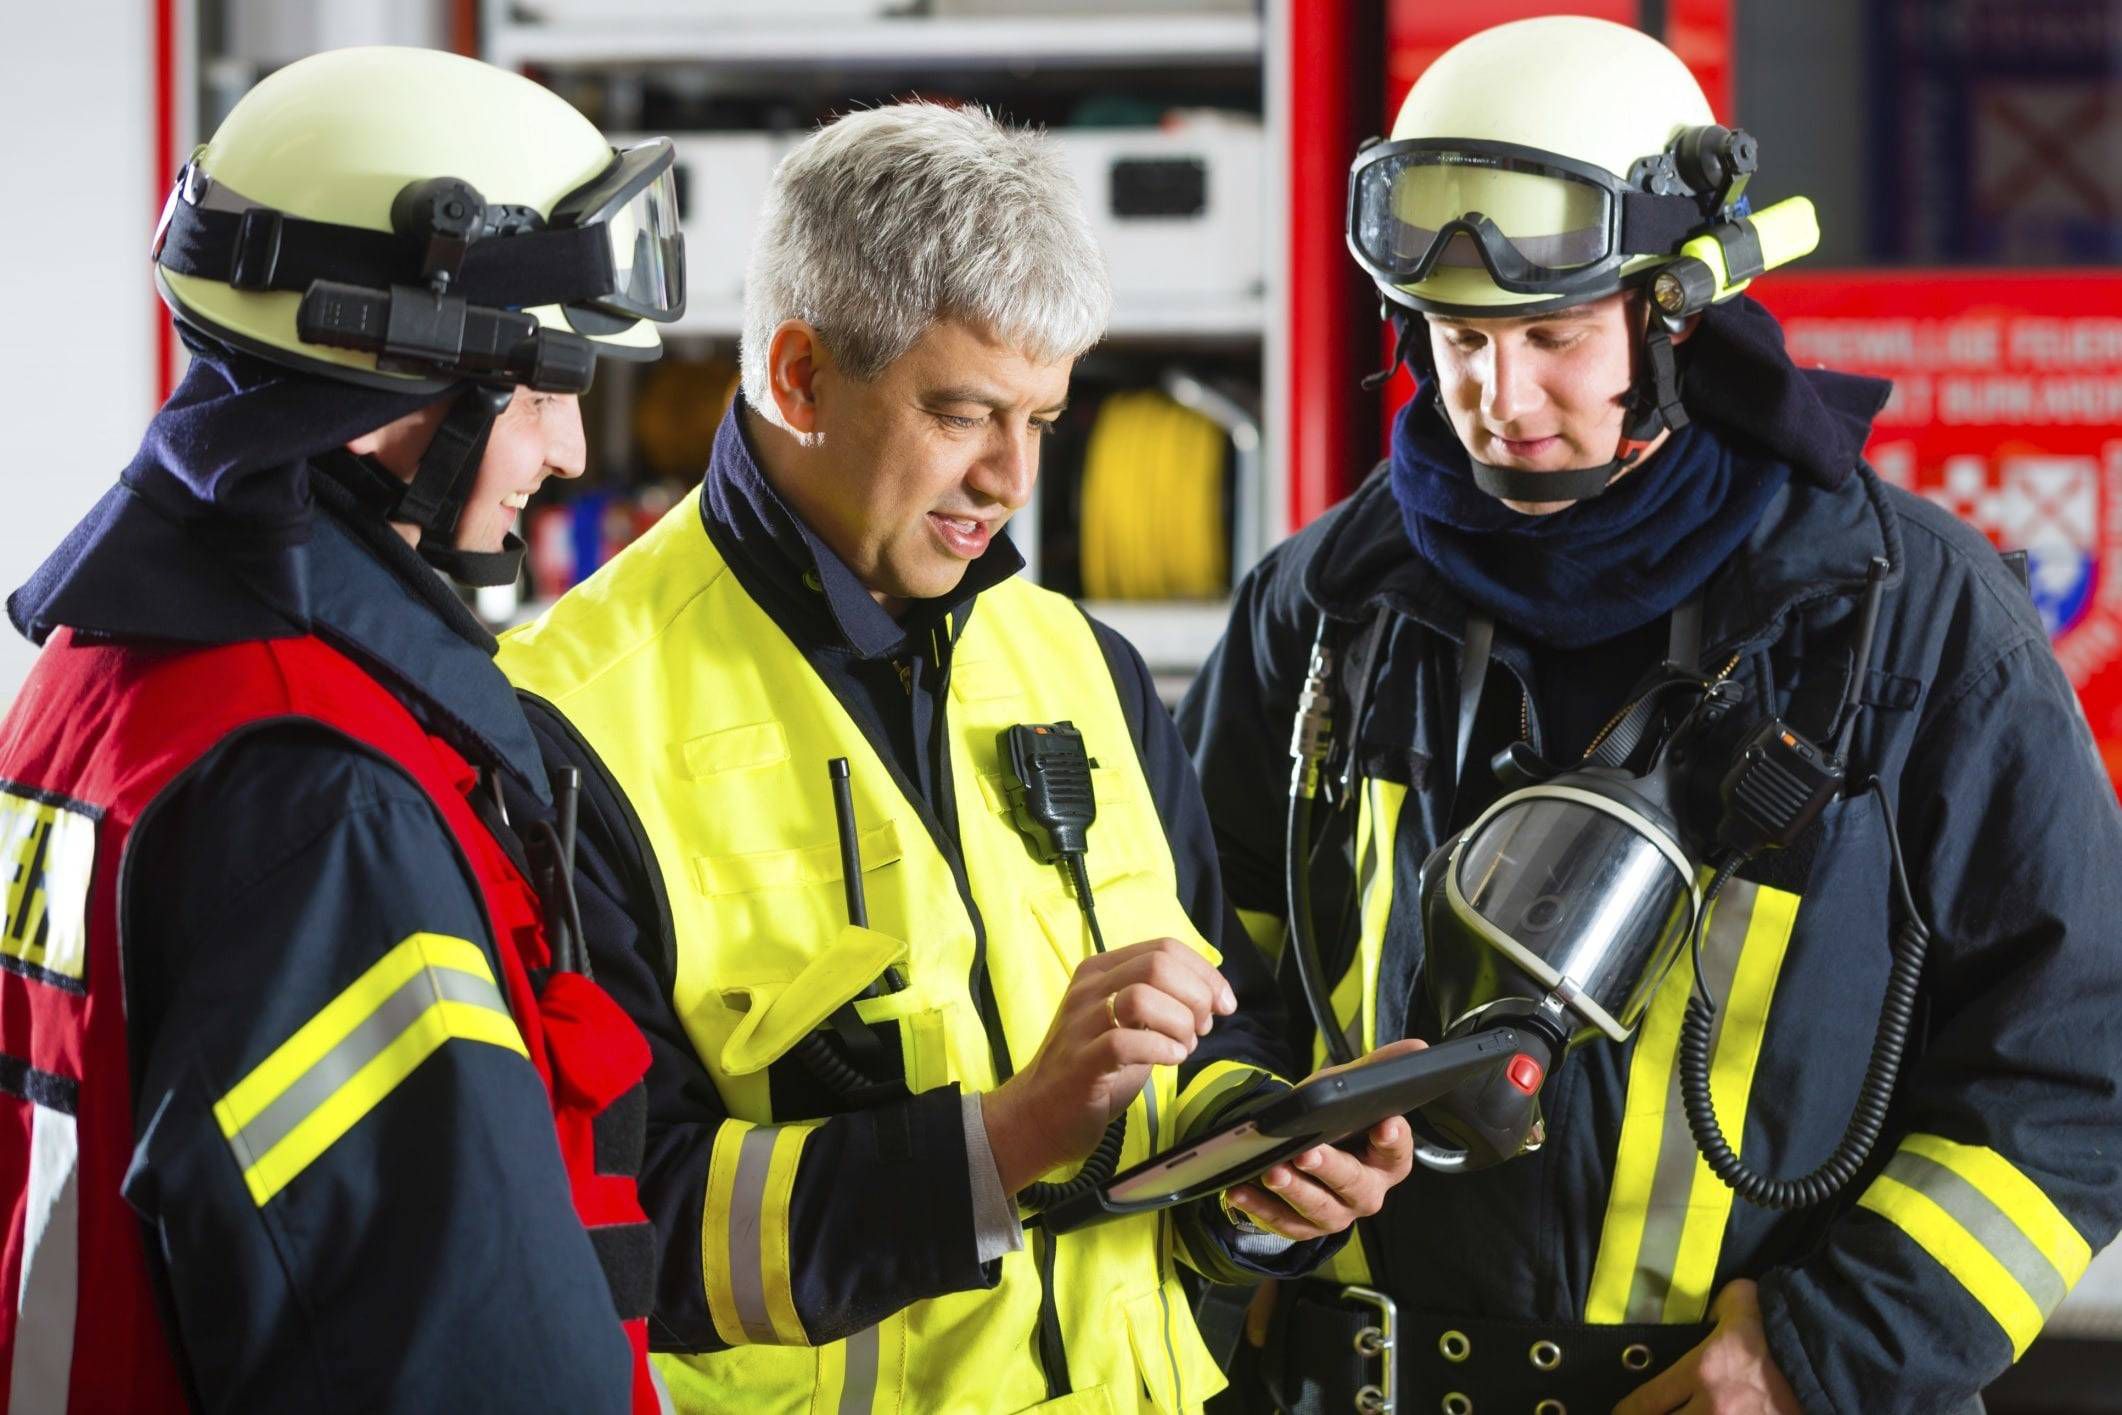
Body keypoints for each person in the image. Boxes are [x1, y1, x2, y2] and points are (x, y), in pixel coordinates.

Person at [1179, 16, 2122, 1414]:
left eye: (1553, 338)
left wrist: (1820, 1356)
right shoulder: (1324, 607)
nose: (1498, 400)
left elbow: (2075, 1057)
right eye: (1455, 338)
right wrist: (1238, 1165)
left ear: (1675, 313)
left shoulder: (1902, 618)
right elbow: (1200, 979)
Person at [495, 101, 1414, 1414]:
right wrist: (998, 1146)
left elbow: (1220, 1032)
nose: (1010, 477)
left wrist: (1269, 1179)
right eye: (964, 412)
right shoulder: (566, 724)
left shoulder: (1081, 667)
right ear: (801, 378)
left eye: (1041, 418)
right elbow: (597, 1232)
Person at [0, 47, 690, 1410]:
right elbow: (450, 1338)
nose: (565, 453)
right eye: (545, 391)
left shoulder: (101, 677)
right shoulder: (323, 797)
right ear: (398, 395)